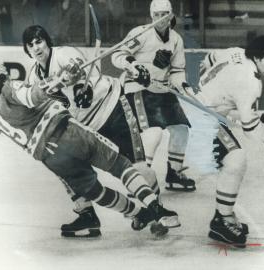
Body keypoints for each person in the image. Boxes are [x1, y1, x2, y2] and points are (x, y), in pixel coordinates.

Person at [0, 63, 181, 238]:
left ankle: (137, 213)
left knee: (94, 190)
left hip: (52, 157)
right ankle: (156, 208)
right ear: (2, 78)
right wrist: (60, 79)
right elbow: (31, 96)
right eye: (4, 77)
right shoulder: (9, 88)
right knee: (120, 165)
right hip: (69, 132)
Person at [22, 25, 162, 237]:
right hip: (84, 127)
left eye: (39, 41)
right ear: (27, 49)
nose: (36, 47)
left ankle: (157, 209)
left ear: (47, 41)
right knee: (66, 167)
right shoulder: (34, 75)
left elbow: (79, 68)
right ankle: (86, 214)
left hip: (111, 108)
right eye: (30, 44)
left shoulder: (64, 54)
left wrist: (82, 88)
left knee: (137, 165)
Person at [193, 35, 264, 247]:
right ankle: (222, 220)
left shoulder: (234, 51)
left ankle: (223, 216)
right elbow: (250, 129)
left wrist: (212, 92)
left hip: (200, 108)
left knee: (233, 159)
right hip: (202, 117)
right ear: (257, 57)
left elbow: (208, 60)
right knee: (236, 160)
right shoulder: (251, 82)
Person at [111, 0, 196, 192]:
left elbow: (177, 70)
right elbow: (117, 55)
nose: (161, 18)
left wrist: (181, 83)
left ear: (171, 15)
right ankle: (141, 179)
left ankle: (174, 173)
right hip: (139, 88)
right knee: (154, 133)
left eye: (165, 14)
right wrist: (134, 65)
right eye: (157, 15)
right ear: (151, 16)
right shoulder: (140, 33)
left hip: (162, 89)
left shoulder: (176, 39)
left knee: (181, 129)